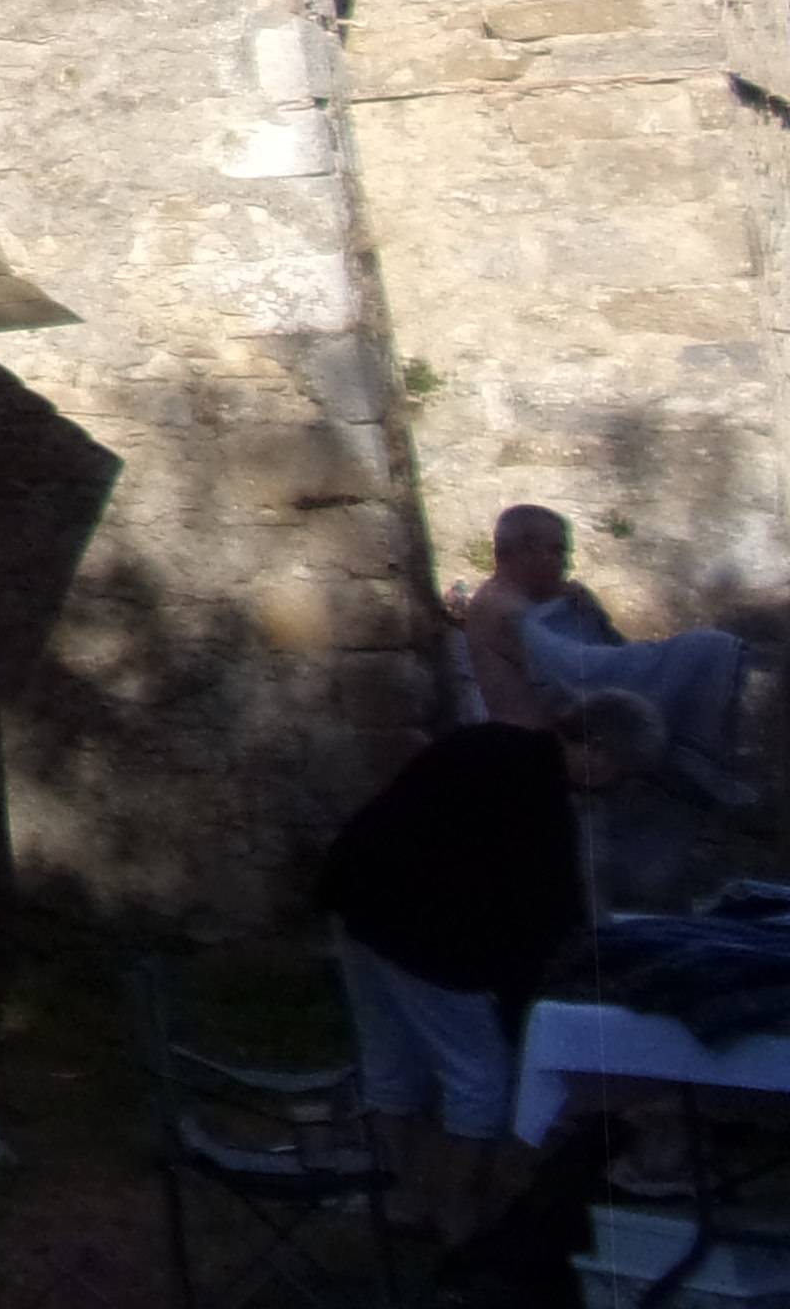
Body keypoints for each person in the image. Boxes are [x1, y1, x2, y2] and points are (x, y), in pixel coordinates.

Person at [316, 687, 662, 1248]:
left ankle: (400, 1201)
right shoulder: (539, 798)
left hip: (356, 901)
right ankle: (458, 1217)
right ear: (596, 748)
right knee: (480, 1080)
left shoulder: (489, 742)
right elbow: (542, 921)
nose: (612, 786)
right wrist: (530, 1011)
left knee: (391, 1066)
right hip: (417, 932)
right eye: (619, 771)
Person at [462, 505, 747, 799]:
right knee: (705, 648)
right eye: (558, 551)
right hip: (536, 753)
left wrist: (590, 613)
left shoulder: (529, 600)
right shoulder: (501, 609)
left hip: (565, 742)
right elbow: (579, 671)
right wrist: (689, 654)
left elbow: (605, 647)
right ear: (527, 550)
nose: (566, 563)